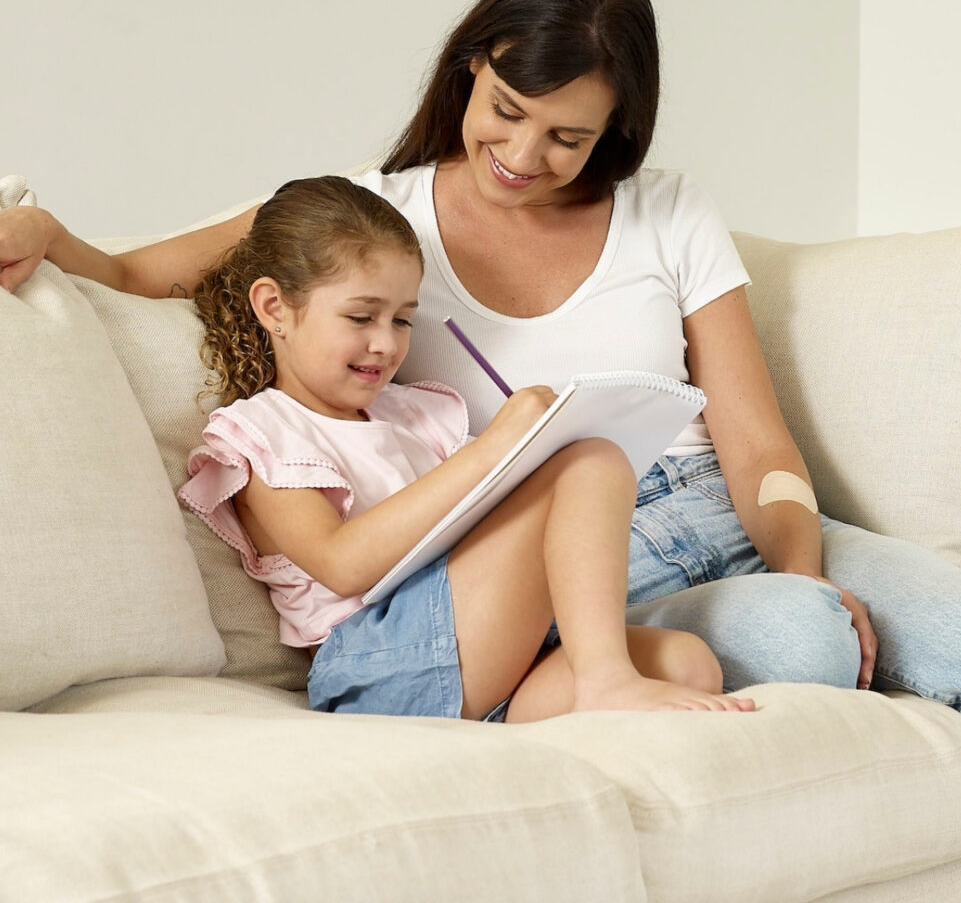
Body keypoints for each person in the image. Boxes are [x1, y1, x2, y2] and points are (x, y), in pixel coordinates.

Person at [0, 0, 961, 903]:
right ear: (470, 69)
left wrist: (804, 558)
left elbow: (758, 442)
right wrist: (39, 236)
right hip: (573, 568)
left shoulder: (669, 217)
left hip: (721, 516)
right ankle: (763, 636)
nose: (525, 153)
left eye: (569, 137)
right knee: (794, 642)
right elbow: (148, 271)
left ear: (616, 131)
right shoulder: (377, 219)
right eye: (505, 113)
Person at [165, 173, 750, 722]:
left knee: (689, 664)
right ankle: (604, 679)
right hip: (381, 663)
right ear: (274, 308)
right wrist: (494, 447)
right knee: (592, 460)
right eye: (361, 316)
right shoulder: (263, 433)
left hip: (484, 645)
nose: (384, 344)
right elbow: (341, 565)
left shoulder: (420, 412)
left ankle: (545, 703)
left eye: (401, 320)